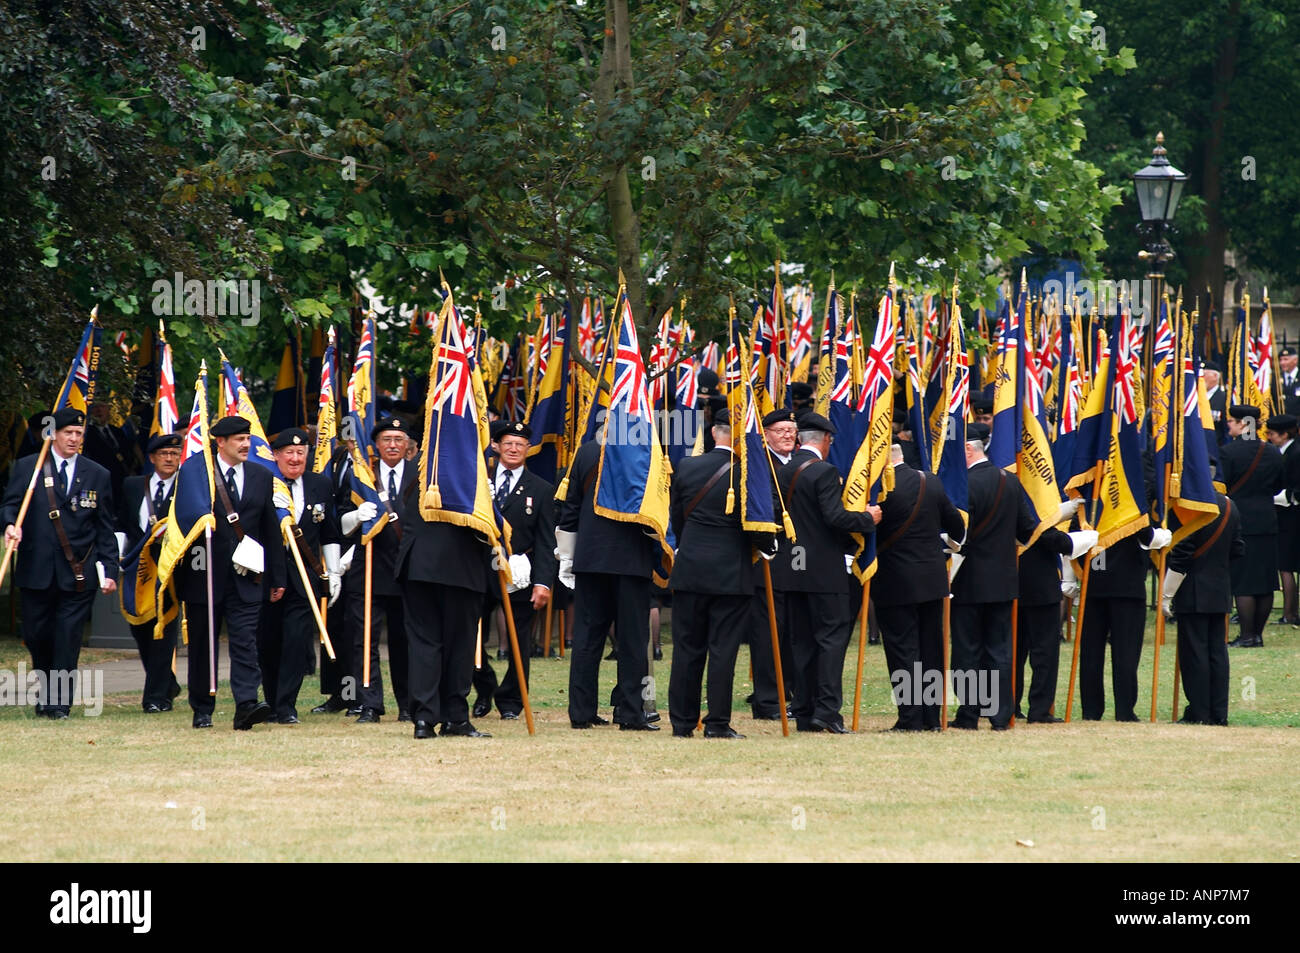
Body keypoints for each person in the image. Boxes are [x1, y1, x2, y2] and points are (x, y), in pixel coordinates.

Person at [1, 408, 118, 718]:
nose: (74, 439)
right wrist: (10, 525)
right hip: (36, 570)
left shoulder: (97, 474)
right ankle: (46, 688)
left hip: (78, 572)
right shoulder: (29, 468)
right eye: (68, 433)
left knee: (67, 637)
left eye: (79, 434)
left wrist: (109, 569)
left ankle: (58, 703)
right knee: (38, 635)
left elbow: (105, 528)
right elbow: (11, 506)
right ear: (53, 434)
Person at [667, 408, 776, 739]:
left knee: (686, 649)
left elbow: (678, 518)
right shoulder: (749, 473)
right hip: (732, 574)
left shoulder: (687, 466)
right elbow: (758, 524)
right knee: (723, 651)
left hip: (690, 571)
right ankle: (716, 723)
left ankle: (682, 723)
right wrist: (766, 547)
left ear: (714, 433)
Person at [178, 415, 287, 730]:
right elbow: (184, 520)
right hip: (204, 573)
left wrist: (276, 576)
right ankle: (202, 707)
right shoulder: (198, 474)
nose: (245, 444)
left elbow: (269, 528)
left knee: (245, 641)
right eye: (238, 439)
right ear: (220, 442)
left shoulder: (260, 475)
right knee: (203, 643)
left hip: (247, 574)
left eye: (247, 438)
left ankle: (246, 705)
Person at [775, 412, 880, 733]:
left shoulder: (782, 470)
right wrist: (866, 518)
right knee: (832, 641)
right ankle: (828, 711)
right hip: (823, 570)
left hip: (792, 567)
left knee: (802, 643)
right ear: (823, 440)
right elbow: (835, 517)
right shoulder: (823, 471)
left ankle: (805, 710)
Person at [557, 437, 663, 731]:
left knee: (587, 639)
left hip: (591, 558)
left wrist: (567, 556)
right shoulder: (647, 450)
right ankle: (630, 712)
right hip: (631, 559)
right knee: (631, 640)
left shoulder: (587, 451)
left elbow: (570, 506)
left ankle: (581, 712)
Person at [948, 422, 1039, 730]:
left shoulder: (965, 485)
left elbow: (958, 533)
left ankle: (969, 714)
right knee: (1000, 650)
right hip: (1003, 580)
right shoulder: (1011, 481)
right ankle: (1002, 715)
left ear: (968, 450)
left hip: (969, 580)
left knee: (967, 650)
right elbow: (1027, 530)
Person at [398, 470, 496, 741]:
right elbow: (487, 527)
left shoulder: (421, 465)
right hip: (460, 568)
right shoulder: (469, 468)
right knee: (459, 646)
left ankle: (424, 718)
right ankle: (454, 717)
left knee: (424, 646)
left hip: (419, 564)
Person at [872, 443, 965, 731]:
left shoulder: (878, 490)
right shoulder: (931, 481)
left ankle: (910, 718)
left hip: (894, 580)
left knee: (903, 651)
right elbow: (957, 527)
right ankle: (931, 717)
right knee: (931, 650)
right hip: (931, 579)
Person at [338, 416, 416, 722]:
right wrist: (357, 516)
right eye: (387, 440)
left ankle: (409, 704)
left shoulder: (419, 475)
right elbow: (341, 524)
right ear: (376, 445)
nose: (393, 445)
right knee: (364, 639)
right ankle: (369, 703)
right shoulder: (362, 476)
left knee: (405, 640)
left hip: (409, 570)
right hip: (368, 567)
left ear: (408, 444)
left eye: (398, 439)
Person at [263, 428, 341, 724]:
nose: (295, 459)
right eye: (289, 453)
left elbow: (329, 531)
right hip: (269, 576)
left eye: (301, 453)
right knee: (269, 642)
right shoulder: (264, 482)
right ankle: (271, 702)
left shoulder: (320, 484)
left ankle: (286, 706)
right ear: (276, 455)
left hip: (304, 578)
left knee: (296, 643)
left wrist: (333, 572)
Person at [486, 421, 555, 720]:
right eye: (508, 443)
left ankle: (512, 700)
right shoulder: (477, 481)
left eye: (520, 444)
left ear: (528, 449)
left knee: (519, 640)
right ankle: (481, 686)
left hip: (520, 572)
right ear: (496, 446)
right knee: (468, 636)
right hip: (478, 569)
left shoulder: (541, 489)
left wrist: (543, 583)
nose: (514, 449)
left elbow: (546, 541)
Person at [1163, 492, 1244, 725]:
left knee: (1194, 654)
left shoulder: (1191, 504)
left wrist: (1167, 595)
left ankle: (1199, 712)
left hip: (1193, 590)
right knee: (1218, 653)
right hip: (1219, 589)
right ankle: (1219, 714)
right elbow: (1238, 549)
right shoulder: (1230, 504)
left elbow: (1182, 556)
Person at [117, 431, 183, 713]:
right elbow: (121, 523)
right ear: (152, 458)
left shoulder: (187, 486)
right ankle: (167, 682)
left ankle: (156, 698)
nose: (170, 459)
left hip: (170, 570)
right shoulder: (133, 486)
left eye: (174, 454)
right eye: (164, 454)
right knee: (140, 627)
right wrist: (118, 558)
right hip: (137, 568)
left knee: (164, 630)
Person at [1014, 507, 1090, 724]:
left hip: (1012, 581)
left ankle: (1010, 705)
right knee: (1044, 652)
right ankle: (1038, 710)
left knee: (1014, 651)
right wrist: (1075, 541)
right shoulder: (1029, 492)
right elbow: (1040, 532)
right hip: (1039, 581)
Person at [748, 409, 799, 720]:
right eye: (781, 430)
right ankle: (767, 700)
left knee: (792, 632)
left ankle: (789, 693)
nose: (788, 435)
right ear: (765, 434)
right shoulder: (759, 465)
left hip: (798, 561)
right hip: (768, 558)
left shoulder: (800, 464)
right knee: (768, 634)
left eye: (792, 430)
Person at [1221, 404, 1284, 647]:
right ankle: (1257, 634)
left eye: (1232, 421)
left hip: (1241, 519)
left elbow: (1222, 486)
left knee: (1244, 580)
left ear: (1242, 424)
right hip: (1267, 518)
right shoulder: (1272, 451)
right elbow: (1280, 484)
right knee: (1265, 580)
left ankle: (1247, 635)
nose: (1229, 425)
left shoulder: (1229, 452)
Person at [1266, 413, 1300, 625]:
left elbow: (1295, 489)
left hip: (1291, 515)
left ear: (1284, 434)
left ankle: (1289, 612)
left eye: (1271, 434)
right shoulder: (1289, 450)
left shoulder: (1294, 454)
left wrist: (1271, 497)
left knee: (1285, 565)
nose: (1269, 437)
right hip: (1289, 513)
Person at [80, 400, 140, 501]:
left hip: (121, 479)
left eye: (102, 406)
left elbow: (128, 451)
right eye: (95, 407)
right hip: (100, 480)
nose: (99, 410)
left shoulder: (117, 431)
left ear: (108, 410)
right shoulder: (86, 434)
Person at [1203, 365, 1227, 446]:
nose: (1200, 379)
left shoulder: (1225, 398)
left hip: (1217, 447)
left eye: (1204, 375)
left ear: (1215, 376)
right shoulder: (1194, 398)